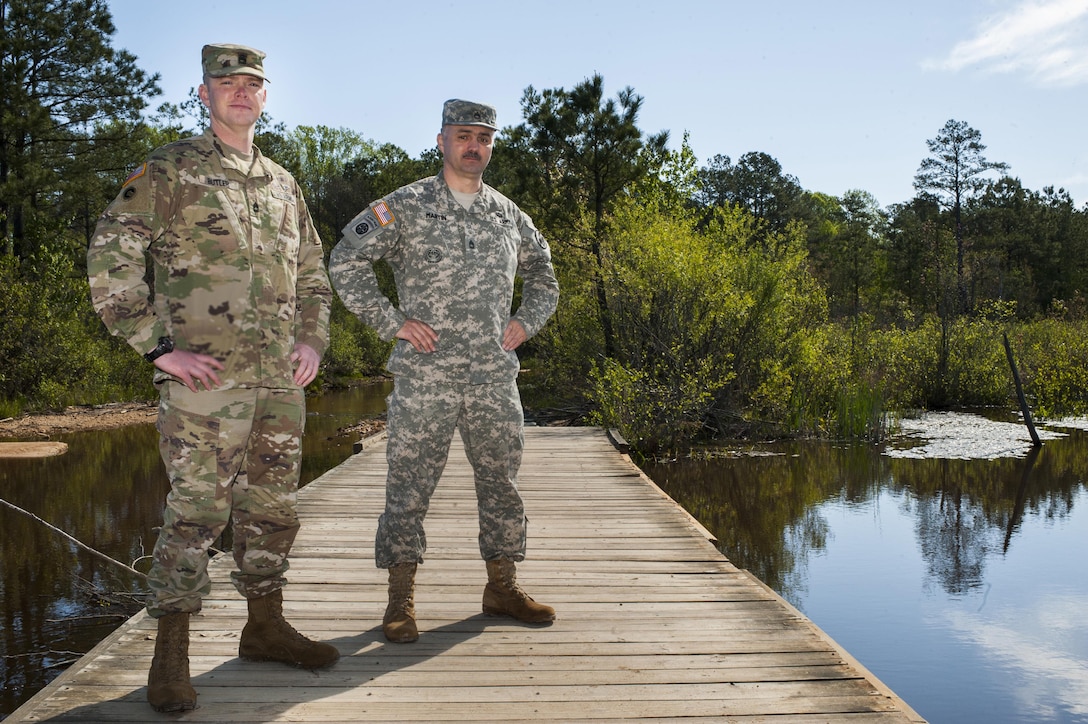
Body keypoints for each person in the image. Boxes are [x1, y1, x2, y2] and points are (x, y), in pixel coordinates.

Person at [87, 43, 339, 713]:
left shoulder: (283, 183)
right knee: (195, 513)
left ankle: (264, 627)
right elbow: (111, 254)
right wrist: (156, 347)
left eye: (253, 82)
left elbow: (313, 272)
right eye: (228, 82)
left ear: (266, 94)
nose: (241, 92)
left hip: (279, 385)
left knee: (273, 508)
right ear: (204, 93)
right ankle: (170, 653)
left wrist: (313, 339)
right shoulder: (170, 171)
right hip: (206, 385)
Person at [328, 99, 560, 643]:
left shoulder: (509, 215)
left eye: (483, 136)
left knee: (501, 485)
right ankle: (400, 600)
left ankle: (501, 587)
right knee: (408, 487)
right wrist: (392, 322)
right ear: (441, 140)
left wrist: (526, 322)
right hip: (425, 376)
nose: (473, 145)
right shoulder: (403, 205)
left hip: (492, 378)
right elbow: (345, 259)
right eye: (463, 135)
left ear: (491, 145)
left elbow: (545, 273)